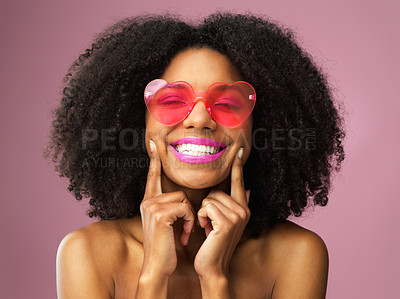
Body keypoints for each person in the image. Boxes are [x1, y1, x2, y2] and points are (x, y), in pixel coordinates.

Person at [45, 12, 346, 298]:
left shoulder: (297, 254)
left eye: (228, 103)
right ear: (136, 121)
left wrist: (214, 277)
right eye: (174, 99)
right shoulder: (86, 252)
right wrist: (153, 276)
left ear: (262, 124)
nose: (200, 118)